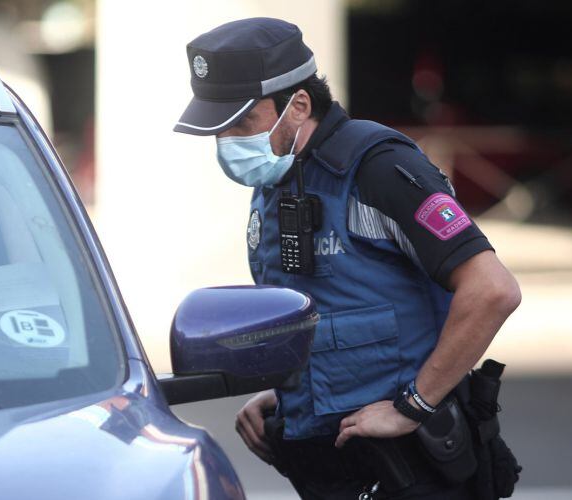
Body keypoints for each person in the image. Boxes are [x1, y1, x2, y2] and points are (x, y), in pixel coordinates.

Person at [173, 18, 521, 499]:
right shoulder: (278, 180)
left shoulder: (379, 168)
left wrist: (413, 406)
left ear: (297, 106)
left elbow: (492, 290)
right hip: (331, 467)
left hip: (412, 469)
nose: (228, 142)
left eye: (241, 123)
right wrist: (285, 392)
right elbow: (333, 314)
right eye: (219, 130)